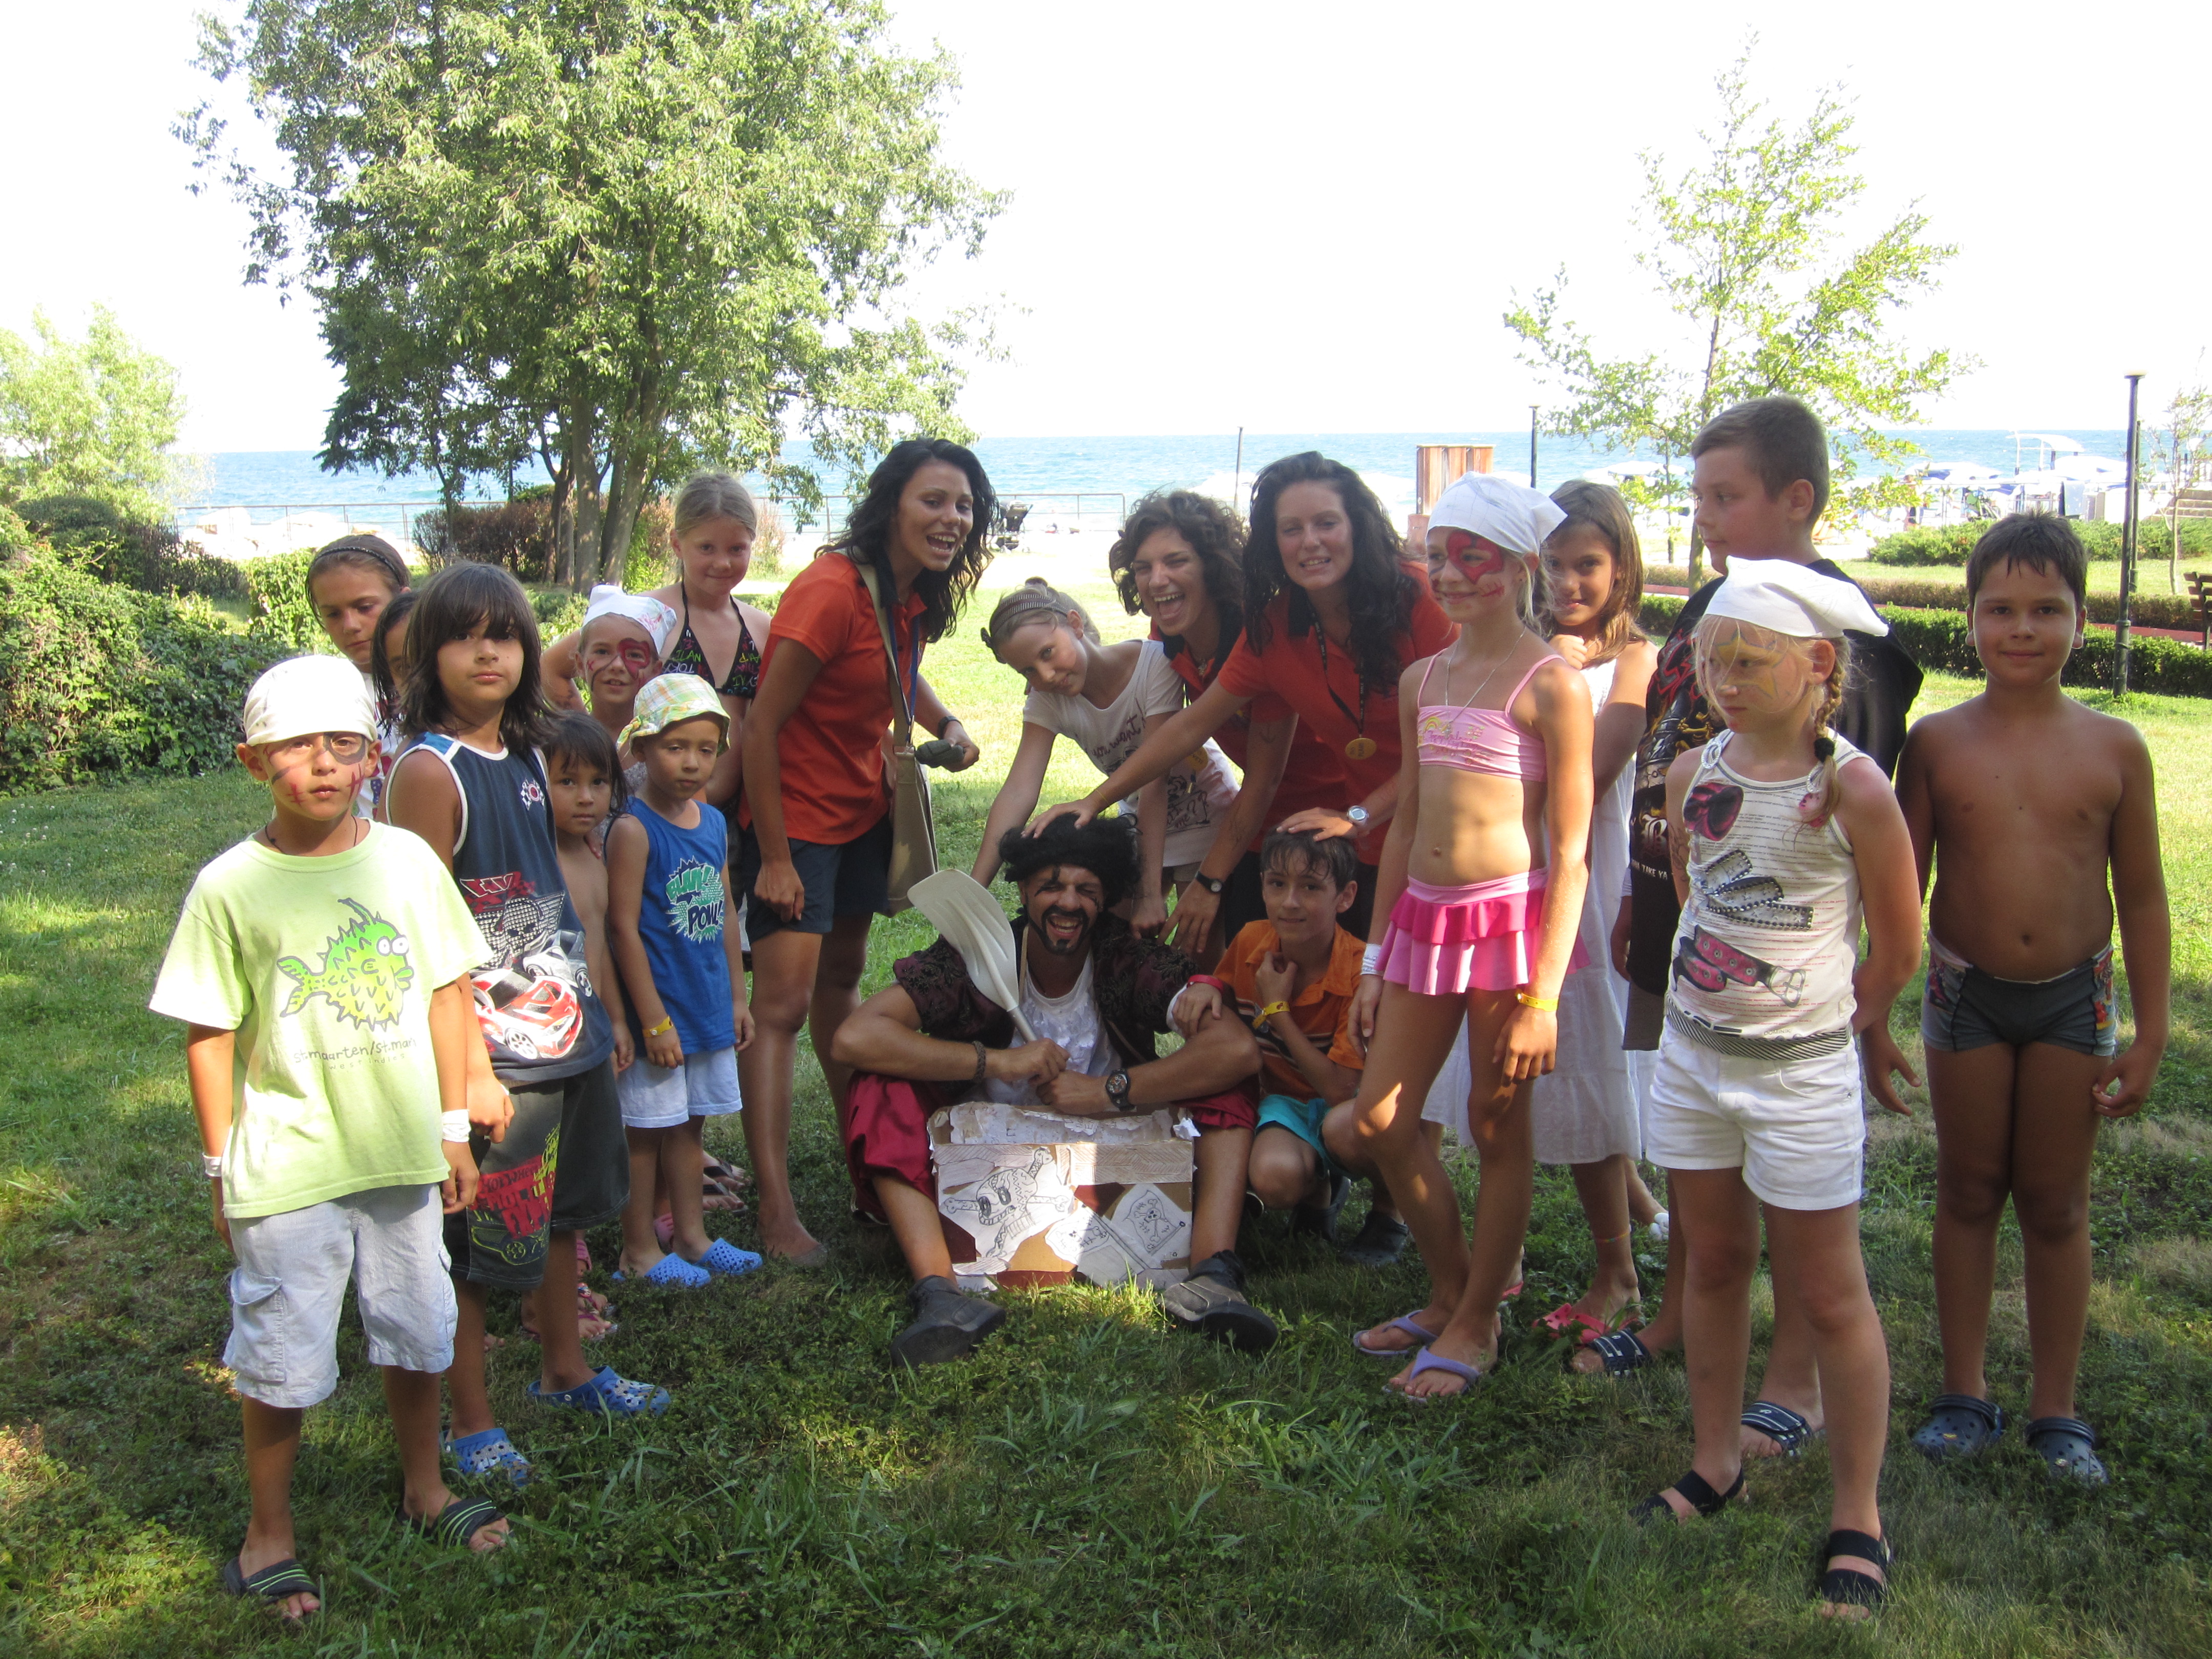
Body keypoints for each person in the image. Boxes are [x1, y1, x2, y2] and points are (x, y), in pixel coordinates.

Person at [1589, 397, 1923, 1468]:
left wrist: (1858, 1016)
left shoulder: (1837, 644)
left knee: (1800, 1215)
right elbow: (1675, 753)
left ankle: (1793, 1381)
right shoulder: (1714, 609)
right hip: (1699, 944)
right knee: (1703, 1166)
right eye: (1697, 497)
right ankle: (1681, 1316)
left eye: (1724, 496)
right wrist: (1647, 899)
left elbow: (1850, 861)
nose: (1704, 516)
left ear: (1796, 499)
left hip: (1791, 985)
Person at [151, 656, 517, 1621]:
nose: (322, 764)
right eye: (296, 746)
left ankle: (425, 1487)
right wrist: (221, 1167)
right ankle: (267, 1535)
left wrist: (453, 1128)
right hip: (288, 1165)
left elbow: (448, 993)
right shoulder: (229, 887)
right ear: (252, 761)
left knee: (418, 1328)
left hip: (403, 1153)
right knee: (281, 1353)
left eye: (343, 744)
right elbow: (210, 1034)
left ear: (371, 757)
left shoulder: (406, 863)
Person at [1638, 559, 1920, 1621]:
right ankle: (1716, 1462)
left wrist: (1839, 1025)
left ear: (1819, 667)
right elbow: (1695, 895)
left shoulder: (1852, 789)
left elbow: (1898, 945)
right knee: (1712, 1262)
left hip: (1799, 1079)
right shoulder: (1692, 773)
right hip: (1694, 1064)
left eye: (1751, 662)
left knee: (1830, 1294)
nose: (1726, 681)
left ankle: (1859, 1516)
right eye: (1714, 662)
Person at [1885, 514, 2170, 1484]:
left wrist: (2152, 1033)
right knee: (1967, 1191)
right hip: (1964, 997)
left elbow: (2143, 897)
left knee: (2055, 1203)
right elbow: (1902, 889)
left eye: (2047, 609)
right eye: (2000, 608)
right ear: (1968, 618)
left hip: (2071, 1004)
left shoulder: (2117, 747)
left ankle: (2058, 1409)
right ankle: (1962, 1394)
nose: (2021, 628)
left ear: (2082, 620)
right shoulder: (1934, 744)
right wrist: (1874, 1013)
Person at [386, 564, 665, 1491]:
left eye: (504, 635)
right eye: (465, 636)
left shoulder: (529, 756)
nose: (488, 654)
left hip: (566, 1036)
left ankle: (565, 1372)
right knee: (476, 1255)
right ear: (429, 655)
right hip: (495, 1058)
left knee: (558, 1221)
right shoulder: (431, 771)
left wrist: (600, 1021)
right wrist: (466, 1071)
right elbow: (423, 937)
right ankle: (472, 1422)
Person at [1322, 473, 1593, 1400]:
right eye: (1438, 556)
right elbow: (1404, 825)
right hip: (1423, 925)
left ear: (1520, 566)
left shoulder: (1551, 684)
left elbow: (1572, 852)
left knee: (1494, 1122)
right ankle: (1451, 1291)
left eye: (1473, 557)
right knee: (1380, 1120)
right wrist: (1372, 957)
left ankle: (1479, 1320)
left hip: (1508, 927)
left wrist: (1544, 999)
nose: (1451, 574)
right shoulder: (1422, 680)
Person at [831, 817, 1272, 1365]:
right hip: (988, 1147)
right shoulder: (976, 957)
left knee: (1224, 1081)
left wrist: (1108, 1091)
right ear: (1022, 891)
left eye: (1087, 889)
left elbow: (1236, 1051)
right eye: (1051, 886)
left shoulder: (1125, 959)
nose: (1068, 902)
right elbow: (855, 1037)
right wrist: (999, 1060)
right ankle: (940, 1293)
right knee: (879, 1084)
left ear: (1105, 899)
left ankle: (1212, 1277)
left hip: (1111, 1139)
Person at [738, 439, 990, 1265]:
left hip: (862, 813)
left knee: (840, 984)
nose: (952, 518)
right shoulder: (829, 589)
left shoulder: (905, 594)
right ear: (891, 505)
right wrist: (776, 858)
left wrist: (946, 722)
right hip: (798, 825)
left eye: (964, 505)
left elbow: (894, 668)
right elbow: (761, 728)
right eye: (934, 500)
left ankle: (865, 1175)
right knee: (781, 1010)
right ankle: (775, 1208)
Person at [1426, 482, 1664, 1338]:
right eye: (1555, 564)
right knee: (1497, 1084)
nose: (1569, 583)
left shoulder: (1628, 661)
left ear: (1622, 568)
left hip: (1578, 885)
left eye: (1588, 565)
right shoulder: (1512, 654)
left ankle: (1617, 1268)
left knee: (1583, 1071)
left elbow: (1596, 769)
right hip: (1499, 889)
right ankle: (1506, 1255)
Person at [1102, 490, 1349, 955]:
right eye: (1143, 567)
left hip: (1330, 818)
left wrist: (1209, 881)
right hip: (1260, 824)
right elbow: (1166, 743)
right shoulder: (1170, 635)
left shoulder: (1259, 638)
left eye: (1176, 561)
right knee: (1239, 966)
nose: (1157, 580)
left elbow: (1265, 778)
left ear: (1213, 567)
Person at [604, 675, 763, 1287]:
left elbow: (725, 914)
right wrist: (653, 1022)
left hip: (705, 1004)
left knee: (691, 1124)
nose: (692, 762)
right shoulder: (633, 829)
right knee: (646, 1132)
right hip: (660, 1013)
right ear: (642, 749)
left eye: (705, 748)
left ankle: (692, 1237)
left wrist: (737, 999)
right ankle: (638, 1249)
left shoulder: (714, 823)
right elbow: (622, 930)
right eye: (675, 748)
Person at [971, 578, 1239, 941]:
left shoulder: (1154, 662)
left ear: (1075, 624)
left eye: (1047, 653)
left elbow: (1155, 777)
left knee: (1198, 947)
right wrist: (974, 890)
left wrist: (1148, 894)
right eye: (1028, 670)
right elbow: (1019, 790)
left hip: (1205, 816)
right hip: (1140, 824)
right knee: (1114, 940)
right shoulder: (1047, 699)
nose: (1045, 675)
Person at [544, 473, 770, 814]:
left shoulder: (760, 628)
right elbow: (550, 667)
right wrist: (591, 739)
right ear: (677, 544)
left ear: (752, 544)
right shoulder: (646, 616)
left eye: (736, 549)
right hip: (648, 810)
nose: (723, 562)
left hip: (729, 816)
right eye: (706, 548)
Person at [541, 712, 633, 1343]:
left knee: (578, 1160)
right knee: (544, 1168)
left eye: (598, 783)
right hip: (549, 1039)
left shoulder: (593, 855)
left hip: (591, 1030)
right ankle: (543, 1298)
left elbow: (600, 950)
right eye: (567, 782)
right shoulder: (539, 861)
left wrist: (616, 1020)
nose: (585, 798)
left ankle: (561, 1276)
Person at [1232, 830, 1367, 1234]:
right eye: (1278, 884)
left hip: (1350, 1108)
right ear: (1262, 887)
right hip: (1283, 1105)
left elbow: (1340, 1091)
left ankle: (1389, 1210)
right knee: (1274, 1178)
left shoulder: (1360, 971)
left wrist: (1278, 1011)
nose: (1290, 902)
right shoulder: (1251, 941)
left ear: (1345, 896)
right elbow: (1220, 1006)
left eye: (1310, 887)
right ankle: (1317, 1189)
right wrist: (1203, 988)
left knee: (1347, 1132)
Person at [307, 533, 411, 816]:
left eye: (365, 607)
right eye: (333, 614)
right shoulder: (331, 692)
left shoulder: (443, 677)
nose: (350, 625)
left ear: (403, 601)